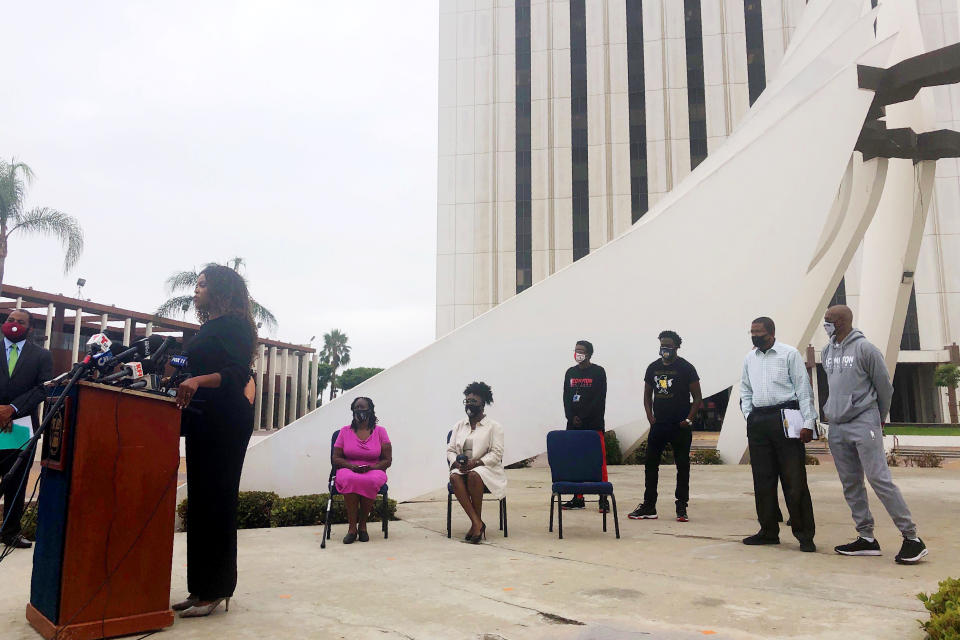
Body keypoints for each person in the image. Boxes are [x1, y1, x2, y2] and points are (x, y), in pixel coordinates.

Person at [173, 265, 258, 617]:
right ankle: (201, 588)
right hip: (202, 416)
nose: (196, 290)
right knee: (202, 501)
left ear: (221, 290)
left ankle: (218, 588)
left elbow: (238, 373)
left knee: (218, 499)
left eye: (202, 285)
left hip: (226, 417)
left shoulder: (237, 326)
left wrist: (196, 381)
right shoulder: (209, 326)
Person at [822, 305, 927, 564]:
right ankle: (866, 538)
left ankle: (912, 538)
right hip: (837, 425)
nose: (826, 325)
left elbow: (884, 388)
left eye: (829, 320)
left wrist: (877, 418)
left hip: (863, 421)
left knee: (879, 479)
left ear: (843, 321)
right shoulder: (827, 351)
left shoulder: (865, 349)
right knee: (850, 483)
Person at [739, 317, 817, 552]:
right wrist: (748, 414)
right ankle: (768, 531)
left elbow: (804, 390)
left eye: (759, 332)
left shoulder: (789, 354)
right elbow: (745, 388)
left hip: (786, 416)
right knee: (763, 479)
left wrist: (809, 422)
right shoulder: (749, 358)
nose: (754, 336)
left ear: (771, 333)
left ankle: (804, 535)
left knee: (794, 479)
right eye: (752, 332)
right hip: (759, 418)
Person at [629, 330, 702, 522]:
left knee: (682, 466)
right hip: (658, 425)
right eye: (662, 344)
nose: (665, 348)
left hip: (680, 426)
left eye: (668, 345)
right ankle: (648, 505)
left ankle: (681, 506)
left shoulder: (687, 368)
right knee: (651, 465)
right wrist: (650, 416)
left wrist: (688, 419)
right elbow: (647, 395)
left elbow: (698, 398)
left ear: (677, 346)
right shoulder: (652, 367)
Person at [0, 310, 52, 549]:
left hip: (21, 425)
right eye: (11, 320)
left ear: (30, 328)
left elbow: (43, 389)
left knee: (16, 481)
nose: (14, 325)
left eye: (20, 322)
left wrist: (12, 409)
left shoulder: (41, 355)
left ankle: (10, 532)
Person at [448, 381, 505, 544]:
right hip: (462, 467)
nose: (469, 404)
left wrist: (477, 462)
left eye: (474, 401)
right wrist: (456, 463)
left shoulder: (494, 427)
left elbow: (496, 453)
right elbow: (450, 450)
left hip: (486, 468)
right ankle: (477, 523)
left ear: (483, 403)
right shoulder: (459, 425)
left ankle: (476, 525)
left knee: (474, 475)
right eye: (467, 401)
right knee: (454, 477)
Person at [332, 396, 392, 544]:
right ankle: (352, 528)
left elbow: (387, 460)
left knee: (370, 479)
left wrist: (372, 467)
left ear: (370, 410)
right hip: (349, 468)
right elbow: (336, 458)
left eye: (363, 407)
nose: (359, 410)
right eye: (356, 407)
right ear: (352, 411)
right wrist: (351, 467)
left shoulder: (381, 432)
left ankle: (363, 526)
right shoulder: (344, 431)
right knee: (349, 478)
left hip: (374, 469)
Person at [561, 340, 608, 511]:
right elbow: (566, 397)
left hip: (593, 425)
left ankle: (603, 498)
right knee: (576, 462)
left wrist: (583, 416)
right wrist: (571, 417)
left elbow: (599, 399)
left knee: (599, 462)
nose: (578, 353)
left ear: (589, 354)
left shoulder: (598, 372)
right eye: (576, 350)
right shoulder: (570, 373)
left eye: (581, 351)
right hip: (573, 426)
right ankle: (578, 497)